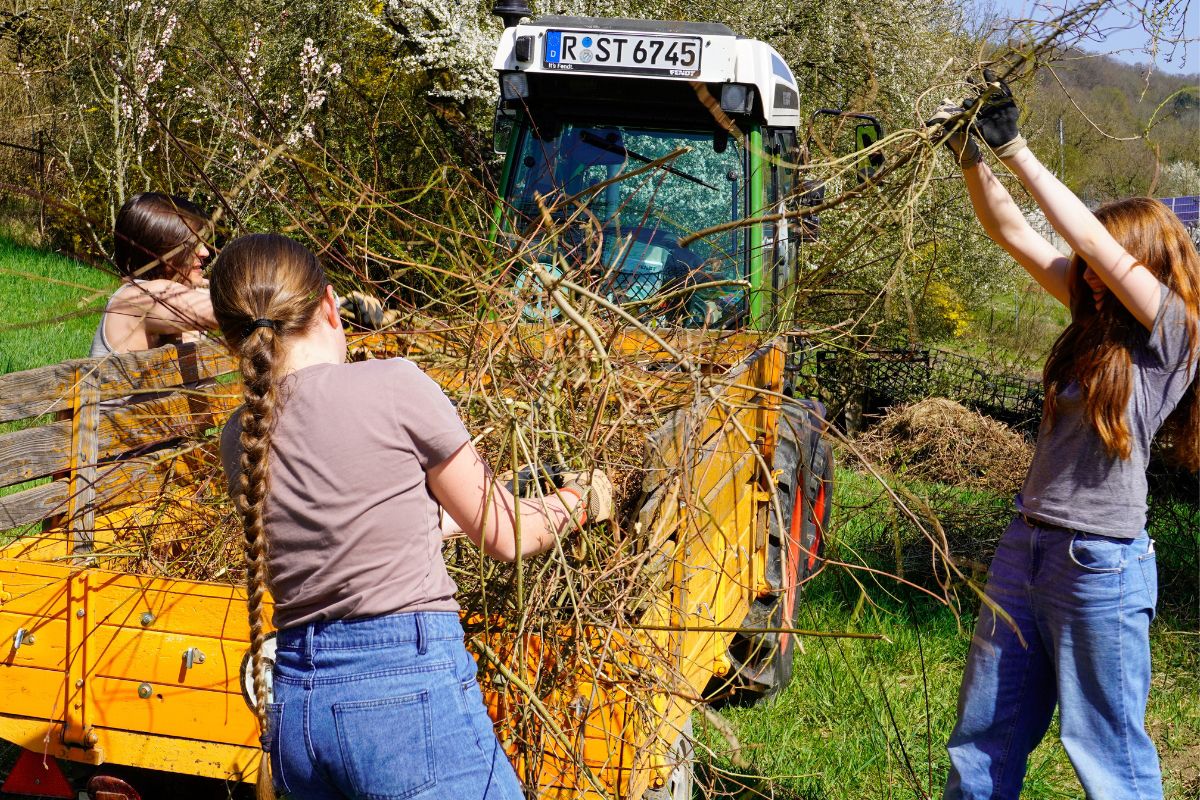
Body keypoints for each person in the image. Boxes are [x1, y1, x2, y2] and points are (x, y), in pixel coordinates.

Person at [208, 233, 612, 800]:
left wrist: (436, 523)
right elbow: (504, 531)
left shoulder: (238, 437)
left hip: (299, 710)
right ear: (329, 305)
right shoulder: (393, 383)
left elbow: (350, 531)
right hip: (401, 692)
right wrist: (583, 500)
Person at [926, 71, 1200, 799]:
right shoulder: (1092, 321)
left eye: (1106, 258)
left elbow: (1091, 244)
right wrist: (968, 155)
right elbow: (1011, 231)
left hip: (1100, 565)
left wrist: (1015, 146)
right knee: (982, 739)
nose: (1087, 270)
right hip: (1028, 545)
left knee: (1107, 754)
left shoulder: (1175, 334)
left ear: (1141, 258)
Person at [90, 192, 217, 357]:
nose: (205, 252)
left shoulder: (172, 299)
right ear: (158, 249)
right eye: (192, 244)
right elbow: (230, 310)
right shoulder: (139, 297)